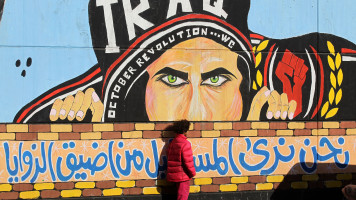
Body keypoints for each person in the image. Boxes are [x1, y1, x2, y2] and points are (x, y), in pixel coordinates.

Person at [14, 0, 356, 123]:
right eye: (173, 80)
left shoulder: (306, 74)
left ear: (244, 78)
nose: (196, 114)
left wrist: (269, 136)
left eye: (217, 79)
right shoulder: (87, 113)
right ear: (136, 90)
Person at [166, 120, 196, 200]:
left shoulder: (173, 142)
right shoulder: (185, 143)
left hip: (175, 175)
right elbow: (188, 161)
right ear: (185, 131)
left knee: (179, 195)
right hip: (183, 175)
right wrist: (193, 173)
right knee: (182, 196)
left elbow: (169, 156)